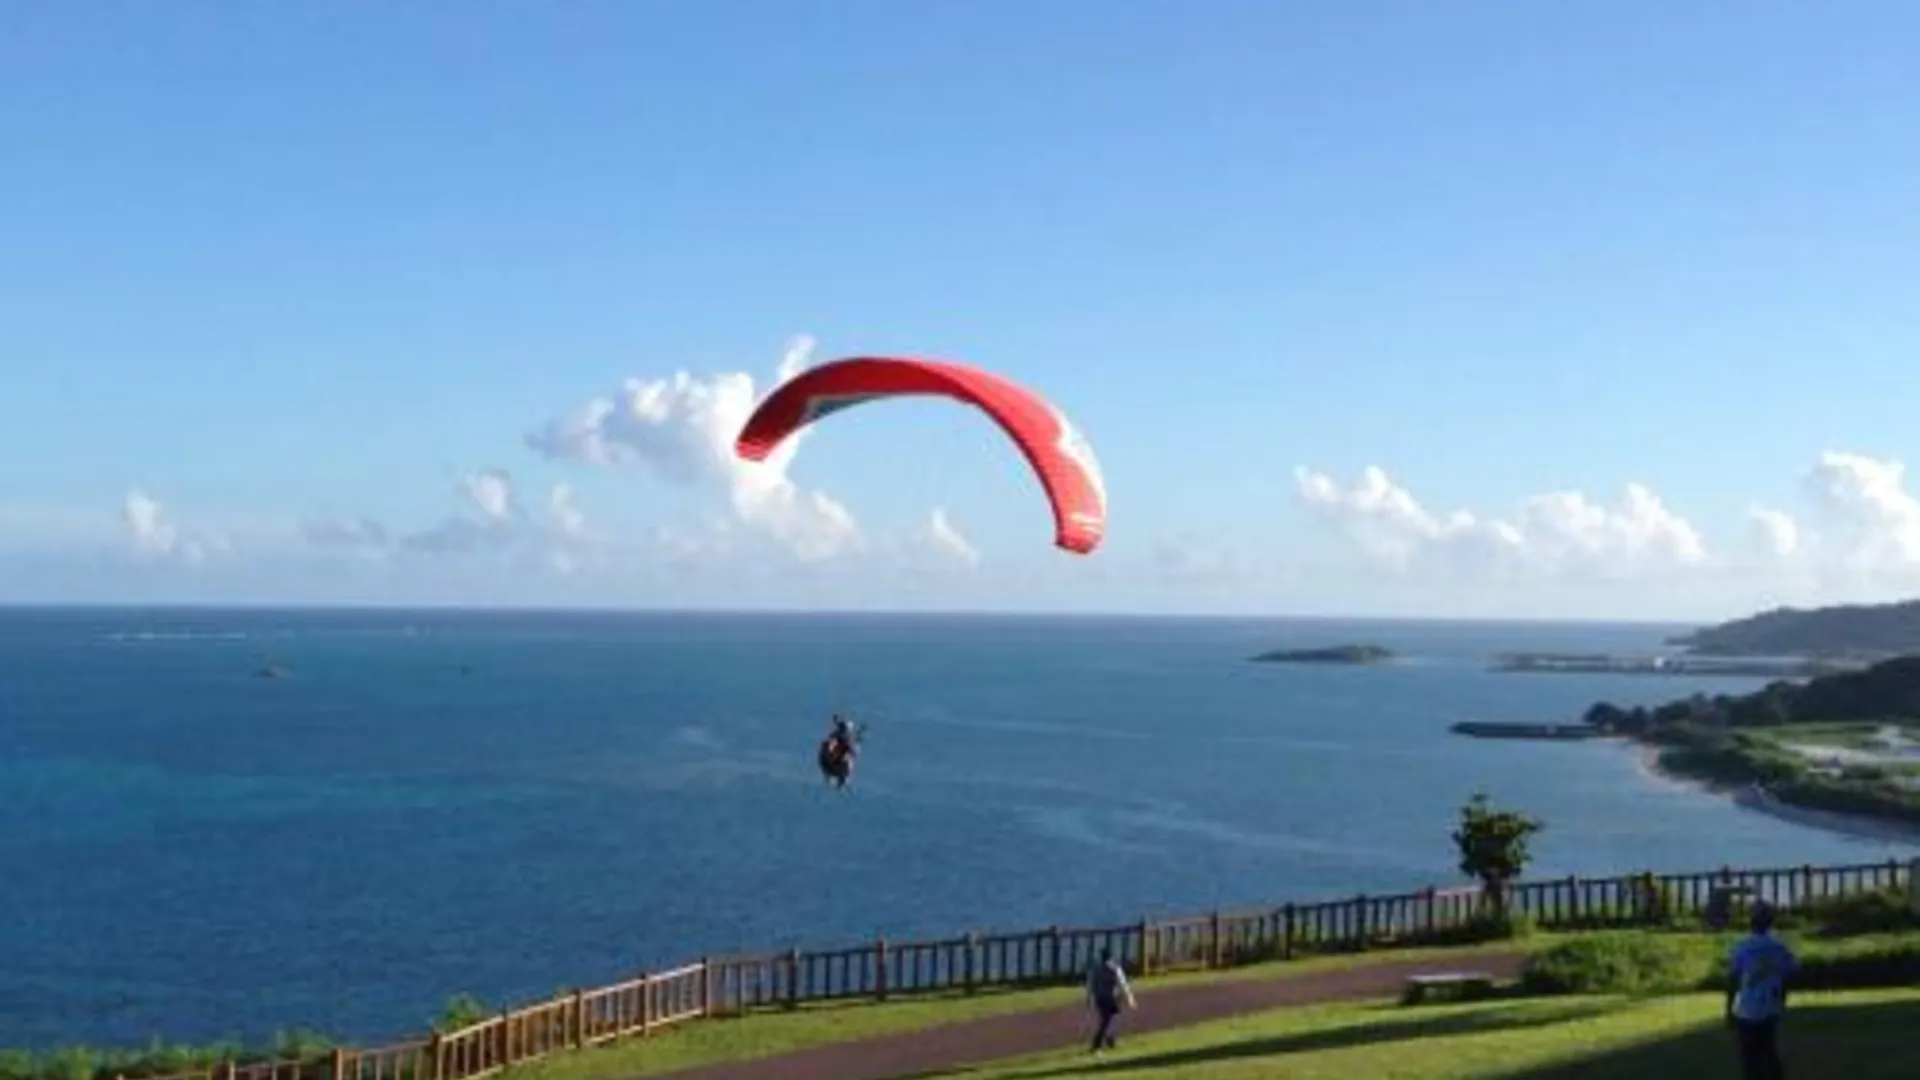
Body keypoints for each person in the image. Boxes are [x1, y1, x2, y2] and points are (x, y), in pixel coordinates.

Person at [1726, 899, 1795, 1080]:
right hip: (1770, 1005)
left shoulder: (1742, 946)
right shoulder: (1779, 946)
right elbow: (1788, 973)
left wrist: (1728, 1008)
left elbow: (1733, 979)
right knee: (1769, 1053)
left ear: (1751, 921)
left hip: (1747, 1008)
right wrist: (1782, 1000)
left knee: (1750, 1058)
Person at [1085, 948, 1135, 1053]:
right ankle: (1097, 1043)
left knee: (1106, 1019)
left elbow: (1090, 985)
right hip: (1110, 998)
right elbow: (1123, 984)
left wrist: (1089, 999)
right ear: (1111, 957)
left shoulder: (1096, 969)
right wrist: (1130, 999)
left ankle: (1110, 1039)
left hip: (1099, 998)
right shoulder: (1115, 968)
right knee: (1109, 1020)